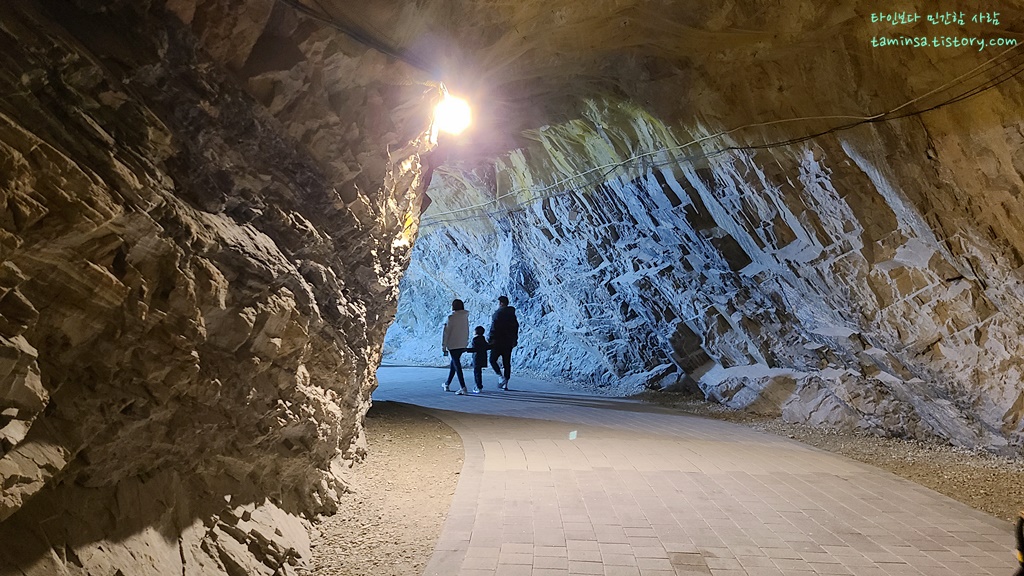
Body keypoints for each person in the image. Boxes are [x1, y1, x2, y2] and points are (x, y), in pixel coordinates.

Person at [488, 295, 519, 390]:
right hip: (508, 342)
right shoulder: (512, 314)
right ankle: (506, 383)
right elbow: (515, 328)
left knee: (492, 360)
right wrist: (514, 340)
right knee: (507, 363)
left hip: (497, 341)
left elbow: (494, 328)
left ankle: (500, 376)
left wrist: (490, 339)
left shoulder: (498, 314)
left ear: (501, 303)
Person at [441, 299, 470, 395]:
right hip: (462, 344)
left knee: (457, 365)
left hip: (453, 344)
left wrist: (443, 347)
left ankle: (463, 387)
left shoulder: (450, 318)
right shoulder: (465, 317)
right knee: (454, 363)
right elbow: (466, 330)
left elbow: (446, 333)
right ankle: (447, 383)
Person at [470, 326, 489, 393]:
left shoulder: (475, 340)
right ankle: (479, 386)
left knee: (476, 373)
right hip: (483, 357)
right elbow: (487, 347)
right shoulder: (483, 338)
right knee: (479, 372)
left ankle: (478, 386)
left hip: (477, 358)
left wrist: (467, 350)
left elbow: (475, 349)